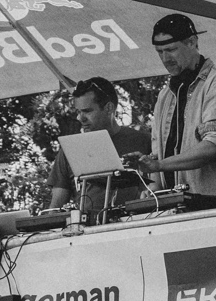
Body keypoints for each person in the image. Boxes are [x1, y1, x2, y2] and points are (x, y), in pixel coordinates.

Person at [134, 14, 216, 208]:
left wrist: (160, 165)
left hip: (214, 205)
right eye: (160, 52)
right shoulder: (165, 95)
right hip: (174, 207)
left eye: (171, 50)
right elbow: (158, 155)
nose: (165, 59)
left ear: (192, 42)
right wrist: (152, 192)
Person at [48, 77, 149, 218]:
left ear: (109, 108)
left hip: (134, 227)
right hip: (86, 232)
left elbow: (157, 190)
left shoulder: (142, 141)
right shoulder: (70, 148)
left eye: (87, 111)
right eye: (78, 111)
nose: (80, 118)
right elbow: (55, 207)